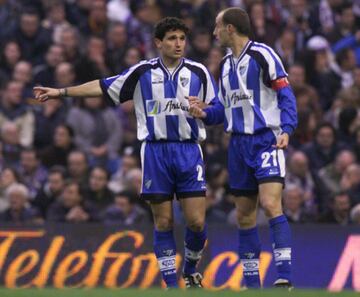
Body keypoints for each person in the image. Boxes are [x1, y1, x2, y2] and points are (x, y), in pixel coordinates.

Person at [34, 17, 218, 289]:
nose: (178, 43)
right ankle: (171, 283)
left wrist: (204, 110)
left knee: (196, 220)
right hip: (155, 151)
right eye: (172, 38)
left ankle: (190, 269)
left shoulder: (199, 72)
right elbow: (102, 86)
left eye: (181, 38)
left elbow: (219, 112)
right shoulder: (142, 72)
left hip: (189, 150)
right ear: (158, 43)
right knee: (164, 220)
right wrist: (60, 92)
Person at [189, 7, 297, 289]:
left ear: (230, 29)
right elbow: (224, 110)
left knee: (272, 204)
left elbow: (285, 93)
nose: (213, 32)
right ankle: (252, 284)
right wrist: (204, 113)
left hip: (266, 140)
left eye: (217, 26)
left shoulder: (263, 55)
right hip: (237, 145)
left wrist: (286, 129)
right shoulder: (225, 66)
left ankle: (284, 277)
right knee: (244, 215)